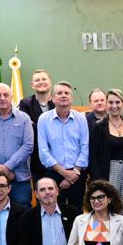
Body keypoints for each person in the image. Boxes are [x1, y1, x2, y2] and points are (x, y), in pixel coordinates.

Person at [89, 88, 123, 228]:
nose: (114, 106)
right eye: (110, 102)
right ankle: (109, 240)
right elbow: (93, 156)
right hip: (109, 171)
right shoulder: (99, 127)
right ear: (106, 104)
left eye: (117, 102)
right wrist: (98, 182)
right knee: (109, 209)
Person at [38, 81, 90, 209]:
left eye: (67, 93)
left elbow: (85, 147)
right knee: (53, 211)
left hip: (77, 174)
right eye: (59, 93)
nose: (63, 95)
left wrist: (74, 173)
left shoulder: (81, 119)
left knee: (77, 212)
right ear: (52, 98)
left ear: (71, 98)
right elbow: (43, 151)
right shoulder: (44, 119)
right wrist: (64, 173)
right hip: (53, 174)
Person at [18, 68, 55, 179]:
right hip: (36, 156)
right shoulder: (25, 104)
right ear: (32, 85)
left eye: (44, 79)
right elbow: (27, 129)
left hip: (58, 155)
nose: (41, 82)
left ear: (50, 82)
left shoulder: (58, 101)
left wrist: (35, 124)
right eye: (37, 80)